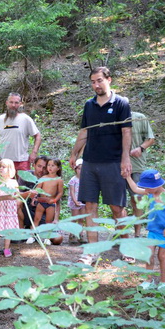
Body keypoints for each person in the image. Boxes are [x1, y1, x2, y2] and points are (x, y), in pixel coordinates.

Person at [69, 66, 132, 265]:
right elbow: (85, 131)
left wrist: (125, 158)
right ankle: (91, 251)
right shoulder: (89, 105)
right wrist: (74, 153)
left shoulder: (121, 103)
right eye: (93, 82)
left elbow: (126, 132)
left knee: (117, 207)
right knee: (90, 206)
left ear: (109, 80)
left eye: (99, 80)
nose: (96, 85)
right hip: (90, 162)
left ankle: (126, 248)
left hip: (113, 162)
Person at [126, 170, 165, 288]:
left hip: (164, 232)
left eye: (148, 187)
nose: (146, 190)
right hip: (152, 230)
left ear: (157, 185)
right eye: (145, 187)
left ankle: (163, 281)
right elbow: (135, 189)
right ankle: (148, 280)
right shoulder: (150, 192)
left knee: (162, 256)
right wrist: (128, 177)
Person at [0, 92, 42, 173]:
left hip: (22, 161)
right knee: (5, 181)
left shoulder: (26, 119)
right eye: (11, 102)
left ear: (20, 104)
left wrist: (34, 152)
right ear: (7, 103)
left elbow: (37, 136)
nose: (13, 105)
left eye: (16, 103)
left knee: (23, 181)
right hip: (4, 162)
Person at [129, 111, 155, 238]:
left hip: (136, 165)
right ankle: (120, 233)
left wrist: (140, 148)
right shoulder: (111, 117)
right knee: (117, 202)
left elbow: (150, 139)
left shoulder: (139, 118)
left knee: (137, 200)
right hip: (116, 166)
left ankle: (137, 234)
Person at [26, 159, 63, 245]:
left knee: (48, 221)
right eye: (49, 165)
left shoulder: (59, 180)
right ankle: (32, 236)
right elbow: (37, 189)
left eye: (53, 165)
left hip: (50, 203)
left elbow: (60, 193)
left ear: (58, 168)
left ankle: (47, 238)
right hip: (41, 201)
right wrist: (34, 198)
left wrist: (54, 200)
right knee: (36, 219)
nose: (50, 167)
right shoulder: (43, 178)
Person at [17, 155, 48, 229]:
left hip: (42, 212)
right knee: (17, 203)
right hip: (26, 208)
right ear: (34, 165)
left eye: (44, 167)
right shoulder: (25, 175)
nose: (41, 170)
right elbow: (17, 194)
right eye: (39, 166)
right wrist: (27, 194)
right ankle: (21, 229)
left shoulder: (49, 178)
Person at [67, 158, 86, 243]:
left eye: (83, 169)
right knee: (74, 218)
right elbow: (72, 192)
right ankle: (72, 234)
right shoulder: (73, 180)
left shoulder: (86, 180)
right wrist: (75, 201)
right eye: (79, 169)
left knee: (81, 218)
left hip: (83, 201)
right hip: (75, 202)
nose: (80, 171)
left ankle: (80, 234)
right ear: (75, 169)